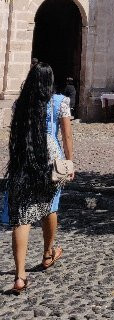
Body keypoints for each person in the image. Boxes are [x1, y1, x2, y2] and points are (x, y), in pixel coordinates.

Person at [2, 63, 75, 294]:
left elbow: (15, 133)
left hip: (25, 158)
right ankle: (47, 253)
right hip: (50, 162)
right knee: (50, 207)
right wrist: (69, 163)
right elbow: (66, 135)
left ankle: (20, 276)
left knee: (22, 215)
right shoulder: (60, 102)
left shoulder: (20, 104)